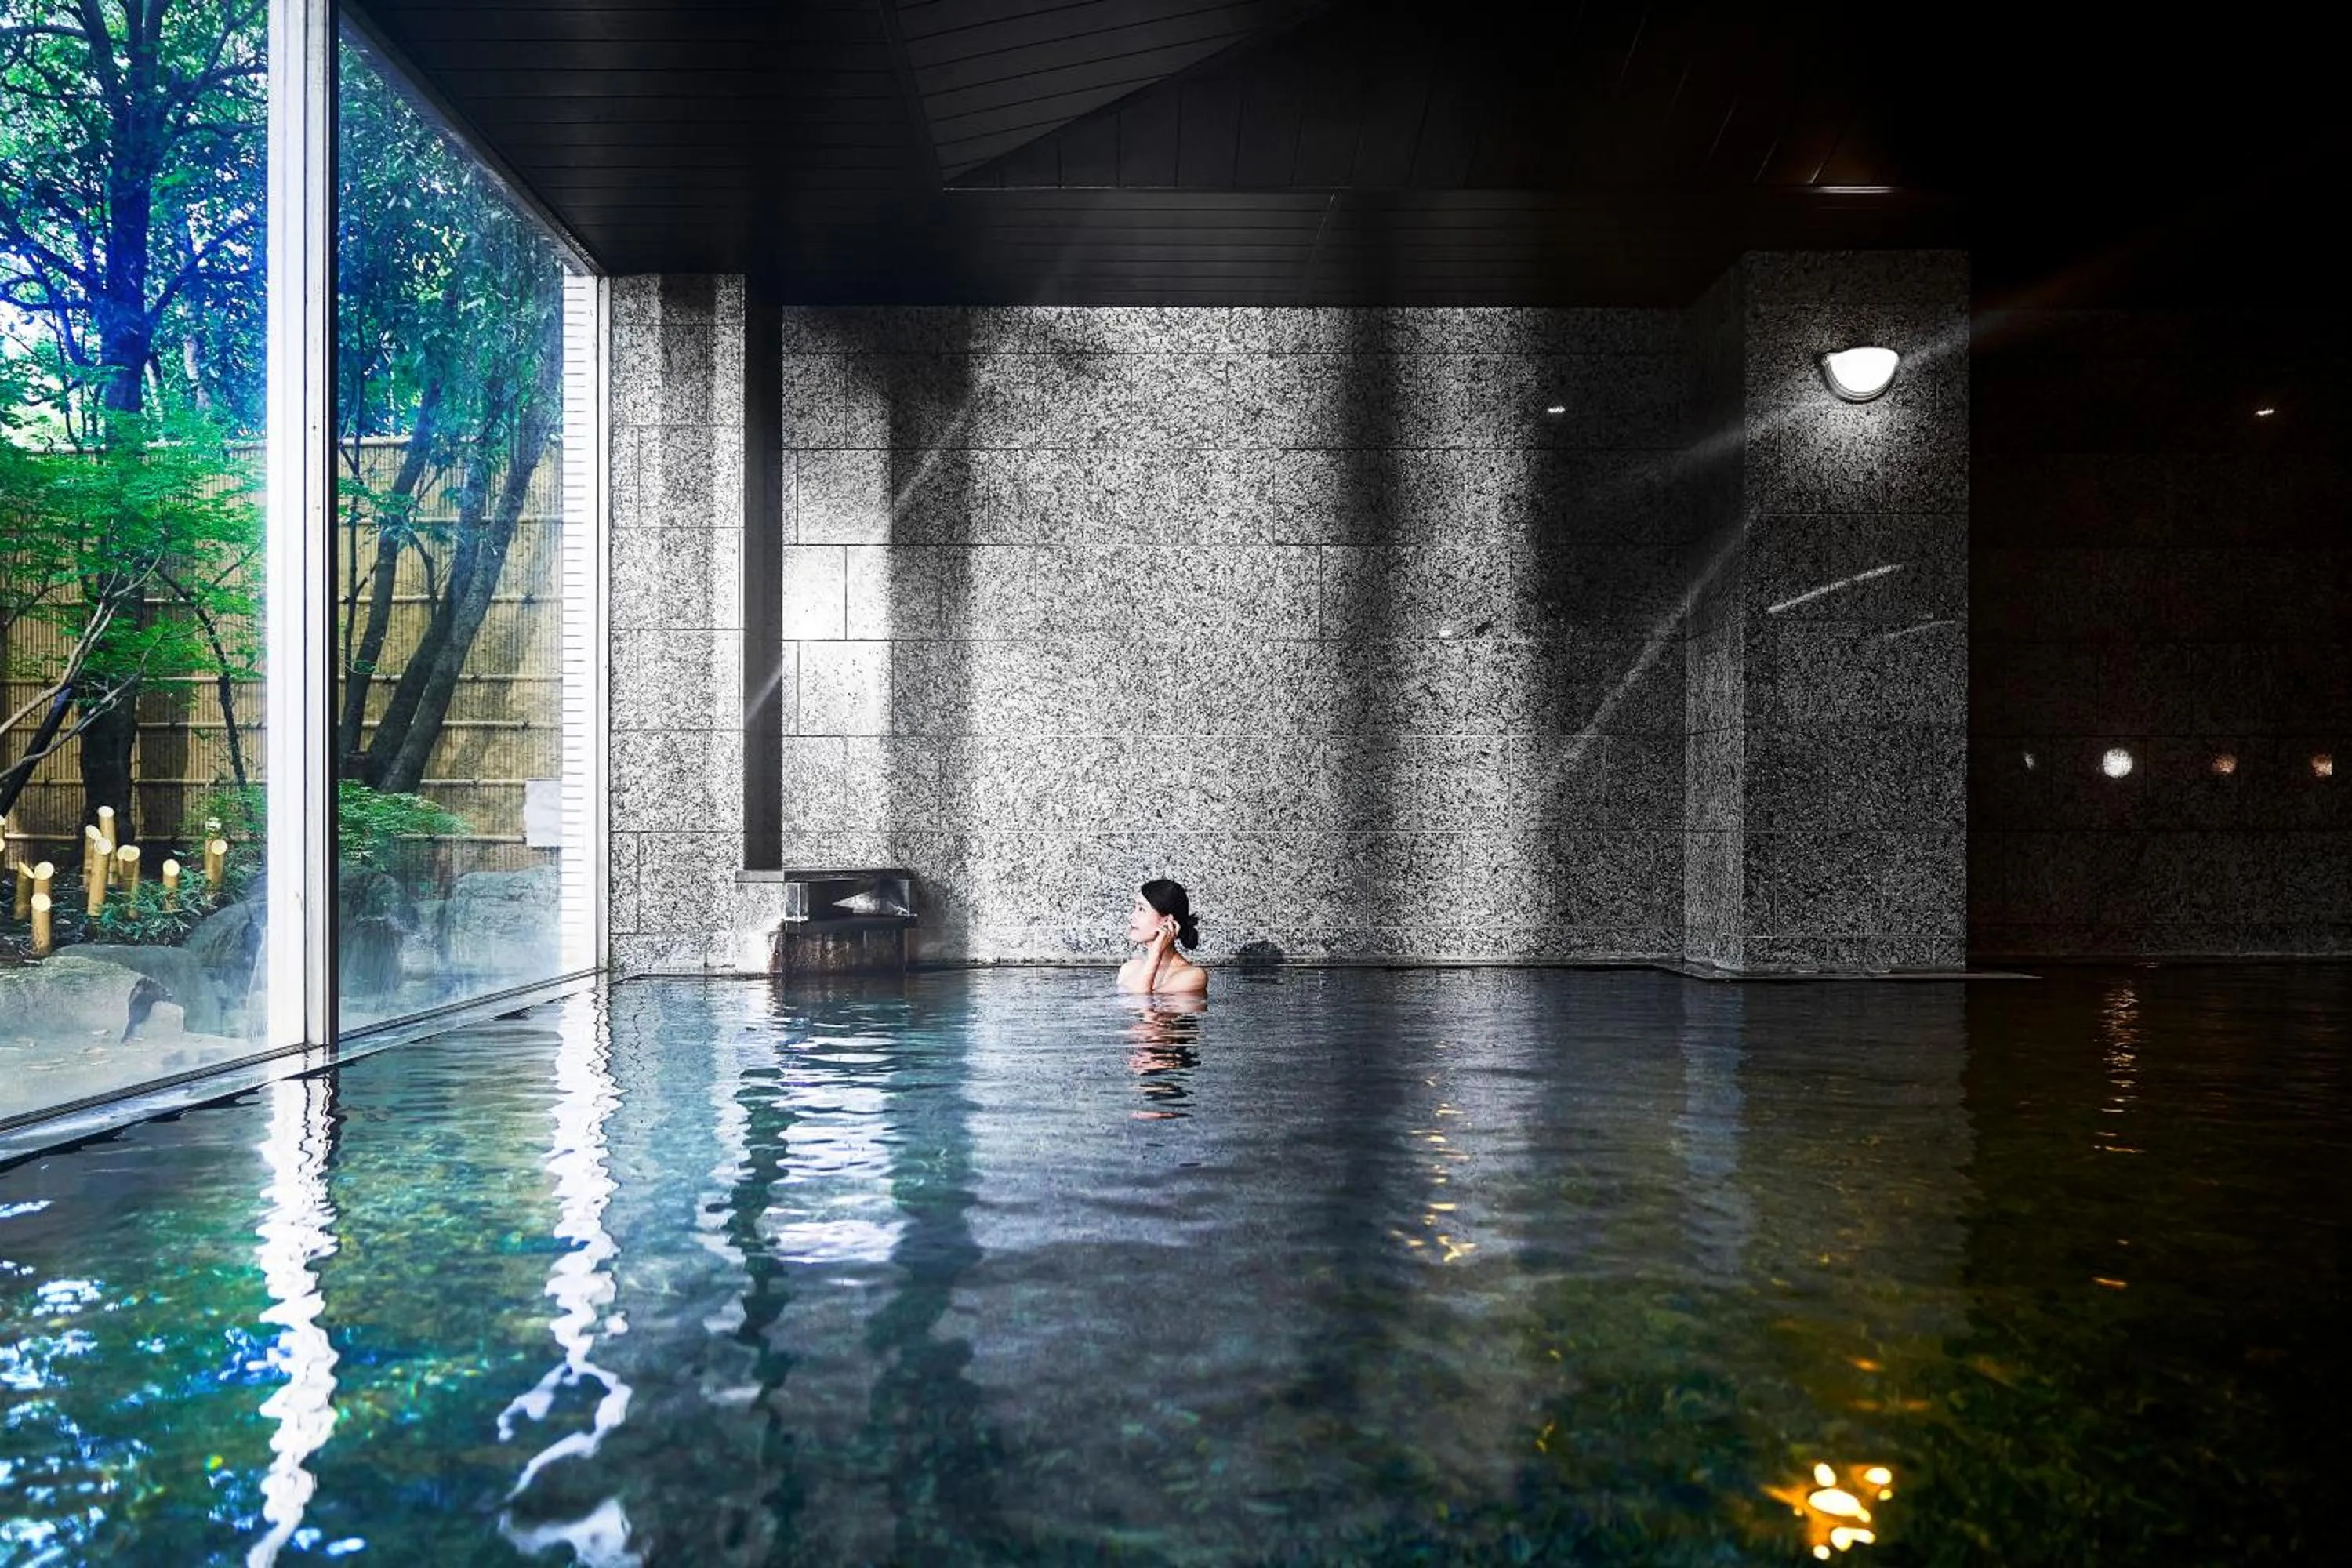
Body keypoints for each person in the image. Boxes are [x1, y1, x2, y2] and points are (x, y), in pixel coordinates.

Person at [1118, 878, 1207, 995]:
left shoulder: (1192, 976)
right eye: (1134, 908)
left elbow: (1142, 1001)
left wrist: (1156, 954)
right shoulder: (1129, 969)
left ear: (1167, 921)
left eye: (1141, 909)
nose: (1132, 916)